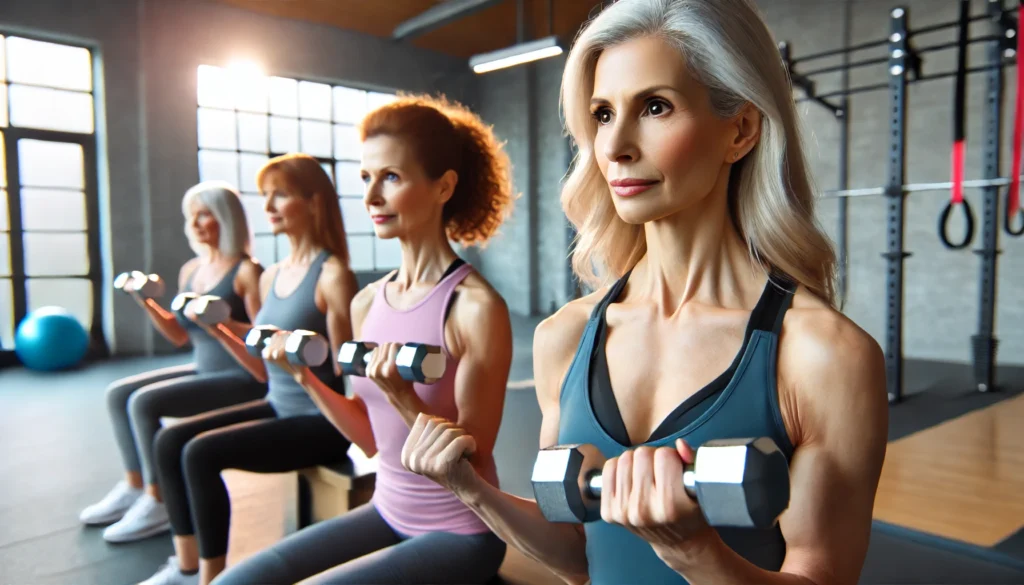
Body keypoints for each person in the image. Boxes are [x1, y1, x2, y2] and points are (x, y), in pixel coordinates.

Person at [400, 1, 890, 584]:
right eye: (603, 115)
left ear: (741, 129)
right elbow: (576, 556)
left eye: (655, 107)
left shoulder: (822, 357)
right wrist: (470, 489)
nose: (615, 146)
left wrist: (694, 552)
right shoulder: (566, 338)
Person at [212, 94, 516, 585]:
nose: (371, 196)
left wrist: (402, 395)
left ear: (443, 187)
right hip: (387, 510)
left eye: (390, 178)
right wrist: (305, 375)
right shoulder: (366, 303)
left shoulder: (474, 308)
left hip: (461, 531)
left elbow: (471, 464)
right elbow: (372, 441)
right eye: (365, 178)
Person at [137, 153, 357, 585]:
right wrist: (217, 324)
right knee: (169, 441)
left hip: (319, 421)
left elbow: (343, 365)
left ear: (313, 203)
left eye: (281, 196)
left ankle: (209, 578)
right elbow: (257, 351)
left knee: (201, 453)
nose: (269, 207)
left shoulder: (333, 276)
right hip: (276, 403)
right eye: (266, 197)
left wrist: (296, 356)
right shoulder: (271, 274)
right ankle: (185, 567)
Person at [80, 181, 266, 544]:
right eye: (191, 216)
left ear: (227, 219)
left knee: (145, 402)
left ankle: (159, 499)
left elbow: (263, 338)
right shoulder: (192, 271)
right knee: (119, 394)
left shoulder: (247, 272)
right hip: (204, 368)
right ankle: (135, 485)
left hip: (244, 377)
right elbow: (180, 335)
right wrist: (145, 300)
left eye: (205, 214)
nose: (195, 224)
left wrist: (222, 322)